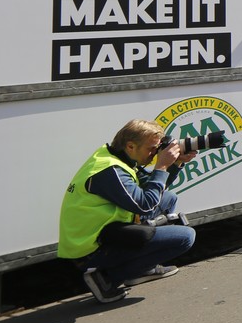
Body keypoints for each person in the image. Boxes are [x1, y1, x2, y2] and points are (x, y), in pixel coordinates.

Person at [58, 119, 199, 303]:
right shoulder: (110, 170)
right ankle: (107, 278)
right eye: (151, 149)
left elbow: (152, 190)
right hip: (90, 249)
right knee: (186, 237)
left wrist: (176, 163)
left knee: (168, 198)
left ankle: (142, 269)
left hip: (107, 228)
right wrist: (162, 166)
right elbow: (145, 205)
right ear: (131, 146)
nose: (155, 154)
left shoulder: (117, 157)